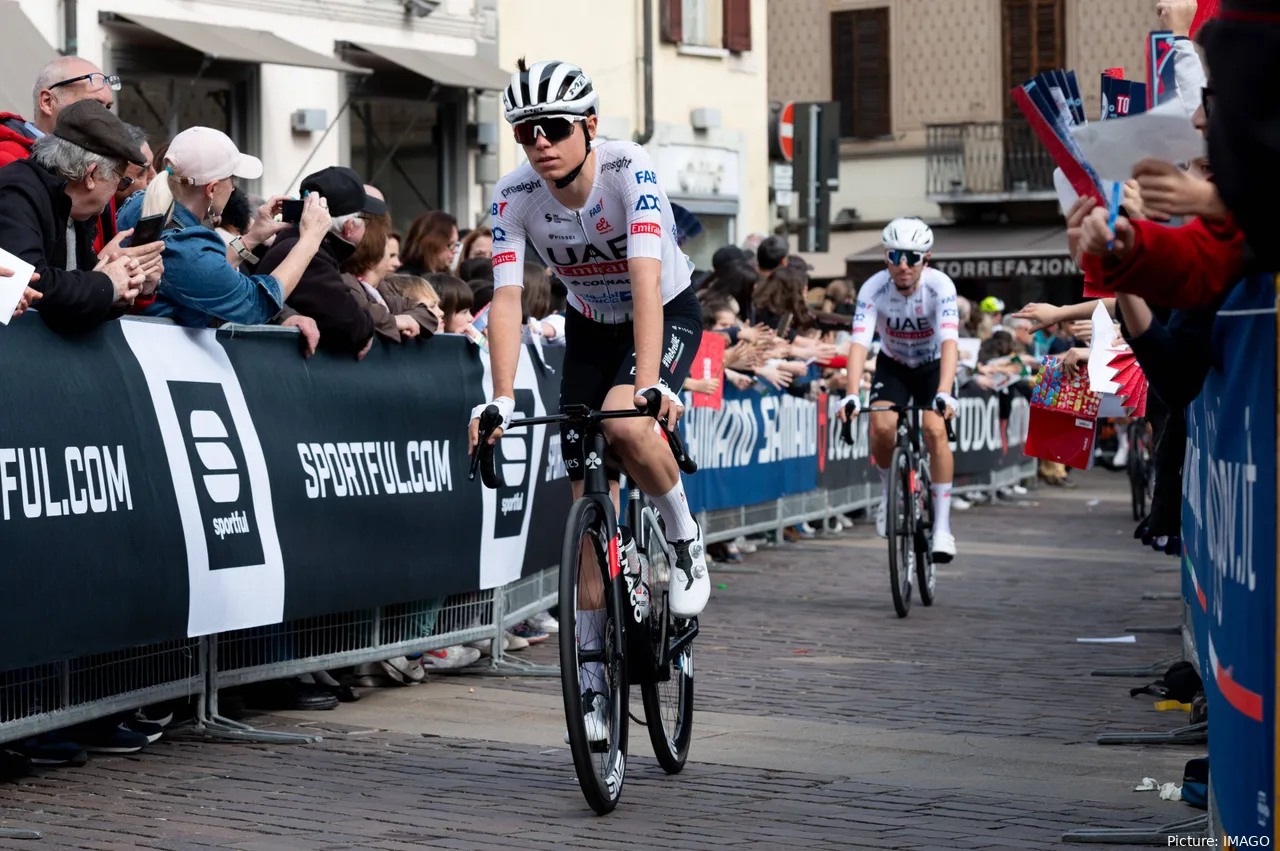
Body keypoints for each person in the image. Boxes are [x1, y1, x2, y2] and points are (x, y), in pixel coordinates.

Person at [468, 58, 709, 739]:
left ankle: (686, 539)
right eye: (524, 131)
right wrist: (503, 397)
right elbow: (508, 297)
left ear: (590, 126)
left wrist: (654, 384)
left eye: (552, 127)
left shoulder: (630, 172)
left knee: (629, 425)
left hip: (660, 309)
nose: (538, 141)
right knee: (582, 526)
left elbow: (642, 276)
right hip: (589, 326)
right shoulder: (515, 193)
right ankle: (597, 684)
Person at [116, 126, 332, 332]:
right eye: (233, 179)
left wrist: (252, 238)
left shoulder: (144, 203)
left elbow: (201, 277)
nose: (234, 187)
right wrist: (310, 240)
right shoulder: (185, 246)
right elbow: (257, 304)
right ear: (212, 189)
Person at [836, 217, 961, 562]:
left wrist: (946, 391)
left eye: (912, 257)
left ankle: (942, 529)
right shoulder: (873, 288)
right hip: (894, 365)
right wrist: (851, 394)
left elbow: (951, 342)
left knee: (935, 431)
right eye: (895, 256)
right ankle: (890, 494)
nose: (903, 265)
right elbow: (859, 345)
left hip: (934, 367)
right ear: (886, 258)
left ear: (926, 258)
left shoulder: (941, 287)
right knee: (881, 427)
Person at [0, 99, 157, 331]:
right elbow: (31, 281)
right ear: (91, 175)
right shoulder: (17, 192)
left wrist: (125, 286)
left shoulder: (79, 206)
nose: (116, 192)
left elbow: (77, 294)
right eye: (121, 181)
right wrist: (108, 283)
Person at [255, 166, 381, 357]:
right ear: (349, 228)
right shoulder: (311, 256)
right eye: (366, 221)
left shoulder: (296, 243)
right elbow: (352, 325)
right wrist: (368, 327)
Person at [0, 57, 120, 168]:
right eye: (94, 105)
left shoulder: (98, 165)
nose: (106, 118)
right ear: (47, 102)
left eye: (107, 108)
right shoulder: (8, 162)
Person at [401, 211, 460, 276]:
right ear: (431, 244)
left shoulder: (447, 277)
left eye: (456, 244)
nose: (456, 250)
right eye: (450, 245)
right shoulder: (406, 280)